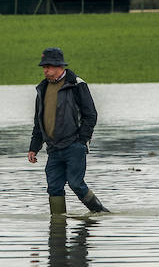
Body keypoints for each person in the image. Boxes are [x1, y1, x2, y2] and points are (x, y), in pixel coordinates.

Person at [28, 47, 109, 214]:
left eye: (48, 67)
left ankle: (101, 213)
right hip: (53, 149)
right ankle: (58, 225)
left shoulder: (77, 85)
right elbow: (39, 122)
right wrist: (34, 147)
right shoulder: (42, 89)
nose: (45, 70)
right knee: (54, 188)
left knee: (76, 184)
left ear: (59, 66)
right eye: (44, 67)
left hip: (74, 146)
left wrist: (81, 140)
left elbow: (90, 115)